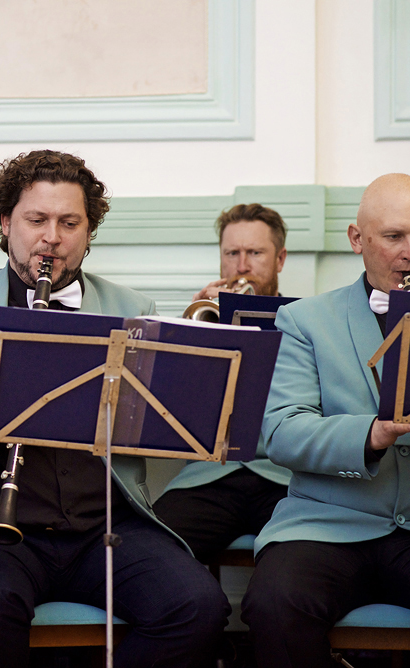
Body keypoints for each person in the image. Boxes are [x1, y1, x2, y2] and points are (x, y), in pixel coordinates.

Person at [0, 150, 230, 668]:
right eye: (36, 220)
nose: (51, 237)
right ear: (5, 222)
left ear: (88, 230)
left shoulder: (133, 310)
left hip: (107, 526)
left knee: (198, 607)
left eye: (69, 223)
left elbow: (166, 430)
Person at [241, 173, 410, 667]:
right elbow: (283, 432)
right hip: (325, 527)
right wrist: (372, 433)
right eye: (393, 236)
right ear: (357, 239)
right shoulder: (305, 320)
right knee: (275, 605)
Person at [153, 203, 291, 563]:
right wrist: (191, 333)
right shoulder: (202, 318)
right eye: (232, 253)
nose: (242, 266)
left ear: (279, 259)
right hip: (206, 478)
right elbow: (167, 411)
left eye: (255, 253)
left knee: (297, 561)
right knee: (153, 551)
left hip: (283, 479)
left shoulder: (306, 323)